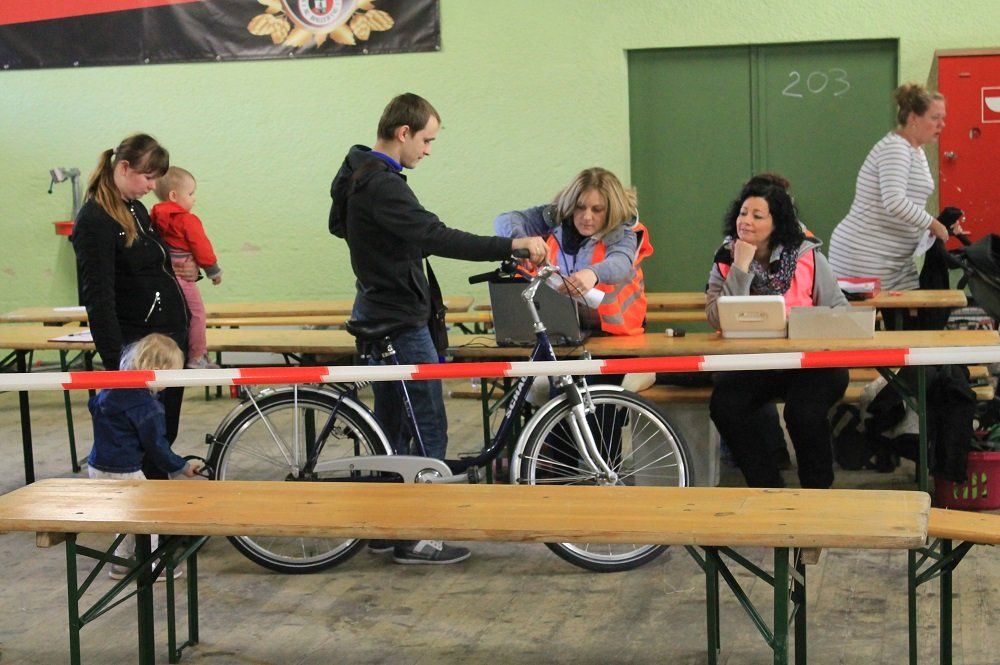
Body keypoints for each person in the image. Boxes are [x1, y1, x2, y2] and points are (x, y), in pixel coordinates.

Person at [328, 92, 547, 564]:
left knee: (390, 427)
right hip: (400, 320)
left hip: (378, 309)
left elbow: (344, 228)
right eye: (426, 140)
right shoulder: (382, 184)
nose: (428, 150)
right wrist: (511, 245)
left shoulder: (356, 173)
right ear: (403, 132)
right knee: (427, 425)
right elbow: (434, 235)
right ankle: (419, 536)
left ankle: (387, 526)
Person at [706, 181, 850, 489]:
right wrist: (740, 266)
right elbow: (716, 317)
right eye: (743, 213)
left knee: (803, 414)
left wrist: (801, 325)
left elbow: (840, 309)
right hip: (755, 363)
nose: (746, 221)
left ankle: (818, 492)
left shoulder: (808, 255)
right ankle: (768, 486)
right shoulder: (726, 257)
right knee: (726, 405)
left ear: (777, 223)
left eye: (758, 216)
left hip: (812, 364)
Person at [72, 133, 196, 481]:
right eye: (148, 177)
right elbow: (98, 299)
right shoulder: (95, 220)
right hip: (139, 348)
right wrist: (119, 368)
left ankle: (157, 505)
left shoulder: (135, 208)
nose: (153, 186)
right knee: (144, 440)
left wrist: (188, 270)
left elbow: (152, 266)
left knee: (164, 431)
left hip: (167, 340)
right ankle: (146, 512)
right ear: (124, 168)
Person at [87, 333, 203, 579]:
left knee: (125, 516)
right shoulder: (148, 407)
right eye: (171, 376)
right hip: (125, 470)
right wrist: (181, 466)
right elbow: (157, 447)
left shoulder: (112, 388)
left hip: (96, 465)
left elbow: (93, 405)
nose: (171, 384)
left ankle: (120, 563)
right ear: (157, 370)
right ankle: (152, 564)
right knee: (148, 516)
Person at [828, 84, 957, 299]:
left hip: (895, 260)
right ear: (913, 118)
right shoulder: (895, 148)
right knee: (882, 317)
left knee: (907, 313)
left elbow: (910, 206)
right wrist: (933, 224)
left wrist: (938, 224)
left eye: (943, 118)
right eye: (935, 118)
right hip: (865, 255)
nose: (942, 124)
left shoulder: (916, 150)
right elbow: (895, 202)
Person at [493, 167, 653, 337]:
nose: (587, 217)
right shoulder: (556, 218)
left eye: (597, 209)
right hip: (565, 327)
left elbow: (620, 263)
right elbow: (504, 221)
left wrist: (593, 274)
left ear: (611, 210)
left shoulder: (624, 231)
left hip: (617, 334)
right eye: (580, 207)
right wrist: (520, 240)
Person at [151, 166, 223, 370]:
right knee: (197, 314)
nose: (194, 199)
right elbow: (201, 246)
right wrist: (213, 270)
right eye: (190, 194)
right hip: (183, 277)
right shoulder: (187, 220)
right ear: (174, 196)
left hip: (164, 278)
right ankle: (197, 355)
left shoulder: (153, 218)